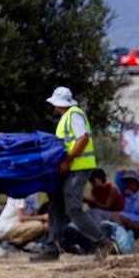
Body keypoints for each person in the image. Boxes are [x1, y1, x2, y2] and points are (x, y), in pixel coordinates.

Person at [34, 86, 115, 262]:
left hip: (78, 168)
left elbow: (83, 138)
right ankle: (51, 248)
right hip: (71, 168)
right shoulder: (67, 117)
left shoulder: (74, 115)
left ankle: (103, 242)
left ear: (58, 103)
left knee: (73, 209)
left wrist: (67, 161)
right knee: (56, 206)